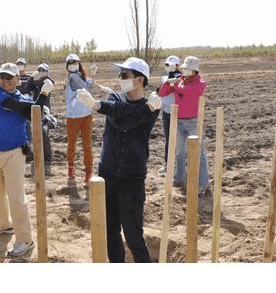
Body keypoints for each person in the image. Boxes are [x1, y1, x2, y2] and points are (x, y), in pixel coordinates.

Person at [76, 57, 161, 263]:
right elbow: (117, 114)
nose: (120, 78)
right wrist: (99, 105)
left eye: (125, 75)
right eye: (120, 74)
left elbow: (126, 123)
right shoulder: (116, 98)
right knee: (111, 233)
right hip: (108, 175)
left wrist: (148, 109)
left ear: (139, 80)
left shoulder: (153, 105)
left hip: (132, 179)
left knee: (134, 237)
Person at [0, 63, 54, 257]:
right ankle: (4, 224)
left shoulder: (24, 98)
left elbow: (34, 111)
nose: (5, 81)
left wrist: (43, 108)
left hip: (14, 153)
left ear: (18, 79)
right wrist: (43, 95)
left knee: (16, 197)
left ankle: (25, 239)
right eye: (2, 77)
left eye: (9, 77)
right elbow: (15, 106)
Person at [159, 56, 210, 197]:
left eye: (187, 68)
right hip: (180, 122)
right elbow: (162, 93)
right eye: (184, 68)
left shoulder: (200, 83)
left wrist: (175, 85)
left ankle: (203, 184)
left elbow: (188, 91)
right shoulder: (180, 81)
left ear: (194, 70)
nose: (184, 71)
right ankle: (179, 178)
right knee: (180, 153)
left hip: (193, 122)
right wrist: (169, 81)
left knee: (199, 154)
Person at [65, 54, 112, 188]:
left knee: (86, 145)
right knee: (73, 144)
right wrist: (99, 86)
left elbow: (87, 86)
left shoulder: (80, 76)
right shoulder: (73, 77)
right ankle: (72, 167)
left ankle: (87, 172)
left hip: (86, 115)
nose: (72, 64)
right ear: (67, 66)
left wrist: (94, 79)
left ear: (79, 63)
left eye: (75, 62)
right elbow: (88, 88)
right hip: (73, 117)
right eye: (70, 63)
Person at [156, 56, 182, 174]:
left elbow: (173, 88)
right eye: (167, 65)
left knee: (180, 139)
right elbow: (161, 91)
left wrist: (171, 73)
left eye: (171, 65)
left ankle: (182, 163)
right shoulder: (164, 78)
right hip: (166, 111)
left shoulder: (181, 77)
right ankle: (167, 163)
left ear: (177, 66)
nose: (168, 67)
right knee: (168, 139)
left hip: (178, 112)